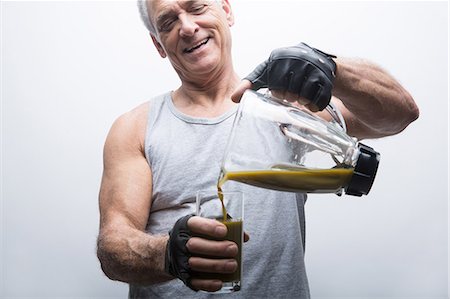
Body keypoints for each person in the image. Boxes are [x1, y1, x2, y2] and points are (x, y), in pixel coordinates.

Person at [96, 0, 419, 298]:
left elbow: (399, 115)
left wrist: (332, 68)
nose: (188, 26)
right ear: (158, 44)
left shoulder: (288, 106)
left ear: (226, 10)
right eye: (168, 22)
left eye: (196, 7)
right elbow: (113, 248)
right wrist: (166, 254)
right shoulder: (136, 127)